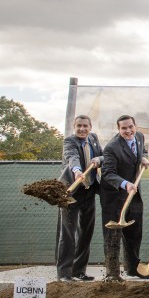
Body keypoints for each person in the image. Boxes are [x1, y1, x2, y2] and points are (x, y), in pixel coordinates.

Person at [100, 114, 149, 281]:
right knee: (113, 235)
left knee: (134, 232)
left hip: (134, 194)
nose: (128, 131)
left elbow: (142, 149)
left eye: (131, 127)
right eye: (124, 128)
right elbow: (108, 173)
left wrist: (143, 157)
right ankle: (112, 274)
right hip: (115, 195)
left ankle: (133, 269)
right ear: (118, 129)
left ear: (135, 126)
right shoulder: (111, 148)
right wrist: (125, 184)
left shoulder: (140, 136)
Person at [56, 115, 102, 281]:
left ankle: (79, 271)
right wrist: (77, 171)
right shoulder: (69, 141)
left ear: (90, 127)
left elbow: (103, 155)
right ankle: (64, 273)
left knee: (85, 233)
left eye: (85, 126)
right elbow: (72, 157)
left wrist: (99, 159)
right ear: (74, 127)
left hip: (89, 191)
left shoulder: (94, 139)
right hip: (71, 192)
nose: (82, 129)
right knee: (68, 233)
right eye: (79, 126)